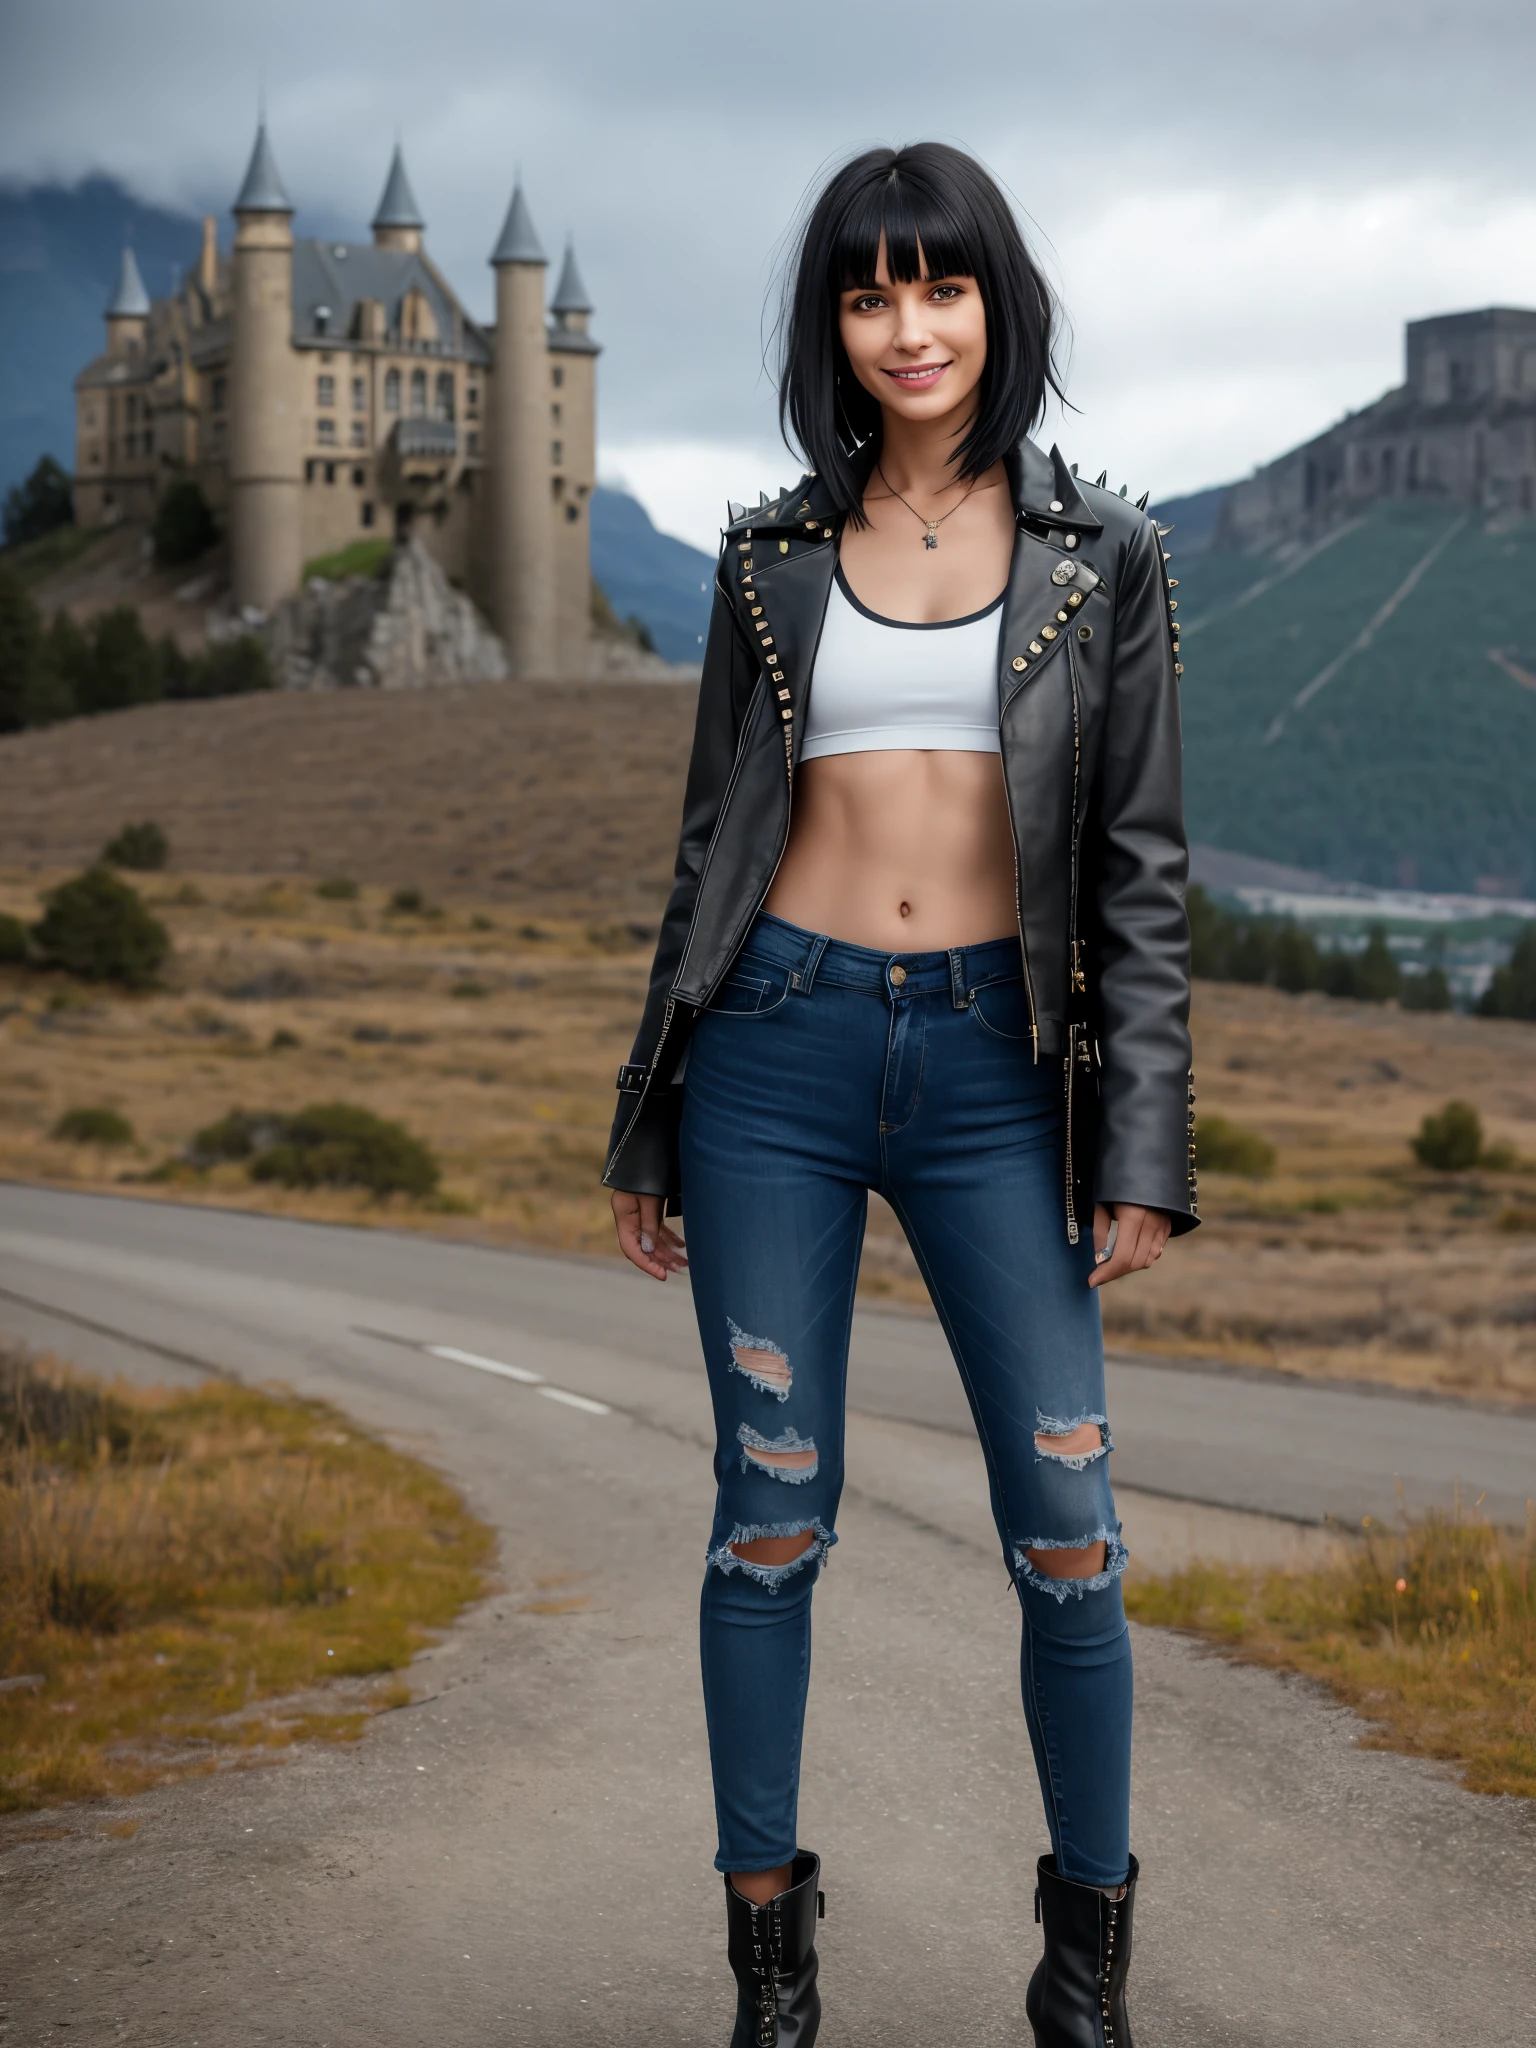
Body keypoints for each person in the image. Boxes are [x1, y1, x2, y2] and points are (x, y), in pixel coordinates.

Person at [605, 140, 1196, 2048]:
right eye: (870, 293)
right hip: (773, 1045)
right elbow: (712, 843)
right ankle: (770, 1968)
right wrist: (653, 1108)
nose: (909, 325)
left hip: (995, 1078)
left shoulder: (1109, 562)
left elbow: (1142, 872)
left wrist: (1143, 1149)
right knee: (769, 1514)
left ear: (996, 305)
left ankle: (1086, 1958)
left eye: (940, 287)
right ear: (832, 325)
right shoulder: (770, 560)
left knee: (1068, 1529)